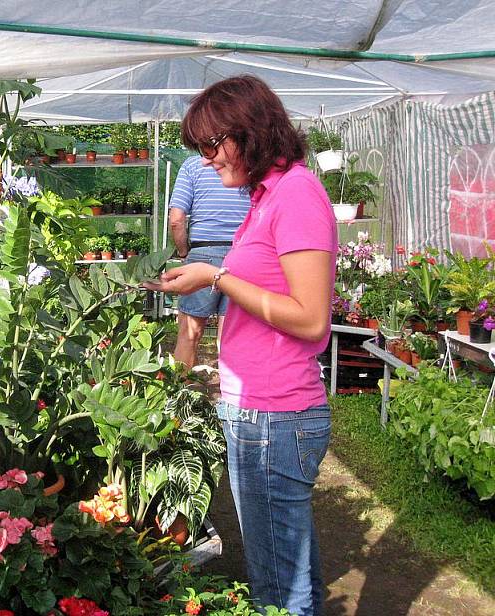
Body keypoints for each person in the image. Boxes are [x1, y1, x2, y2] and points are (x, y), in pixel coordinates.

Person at [145, 75, 337, 616]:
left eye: (212, 145)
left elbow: (310, 319)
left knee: (280, 588)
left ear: (249, 133)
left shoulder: (296, 192)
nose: (205, 161)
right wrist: (208, 275)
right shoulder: (265, 195)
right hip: (258, 412)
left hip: (276, 415)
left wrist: (217, 276)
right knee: (285, 568)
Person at [168, 156, 250, 367]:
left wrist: (184, 251)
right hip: (242, 256)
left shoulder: (193, 165)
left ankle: (179, 395)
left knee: (189, 334)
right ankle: (230, 397)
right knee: (229, 339)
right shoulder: (248, 162)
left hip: (202, 253)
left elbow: (176, 219)